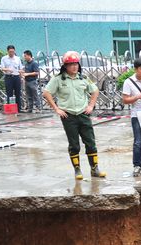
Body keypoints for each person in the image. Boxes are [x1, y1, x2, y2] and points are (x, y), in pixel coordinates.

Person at [43, 50, 105, 180]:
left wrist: (91, 105)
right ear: (65, 66)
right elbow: (47, 93)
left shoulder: (83, 78)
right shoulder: (58, 79)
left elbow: (95, 91)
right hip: (68, 116)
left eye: (76, 64)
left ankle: (95, 169)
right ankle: (77, 169)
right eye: (71, 64)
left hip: (83, 114)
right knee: (74, 144)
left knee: (90, 142)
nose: (74, 67)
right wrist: (56, 109)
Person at [0, 45, 23, 112]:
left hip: (16, 77)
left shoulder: (17, 58)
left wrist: (21, 76)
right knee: (9, 93)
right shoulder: (4, 58)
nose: (11, 53)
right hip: (8, 77)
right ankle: (10, 109)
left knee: (18, 93)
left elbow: (20, 68)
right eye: (10, 52)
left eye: (13, 52)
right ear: (7, 51)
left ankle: (19, 109)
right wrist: (8, 69)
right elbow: (2, 68)